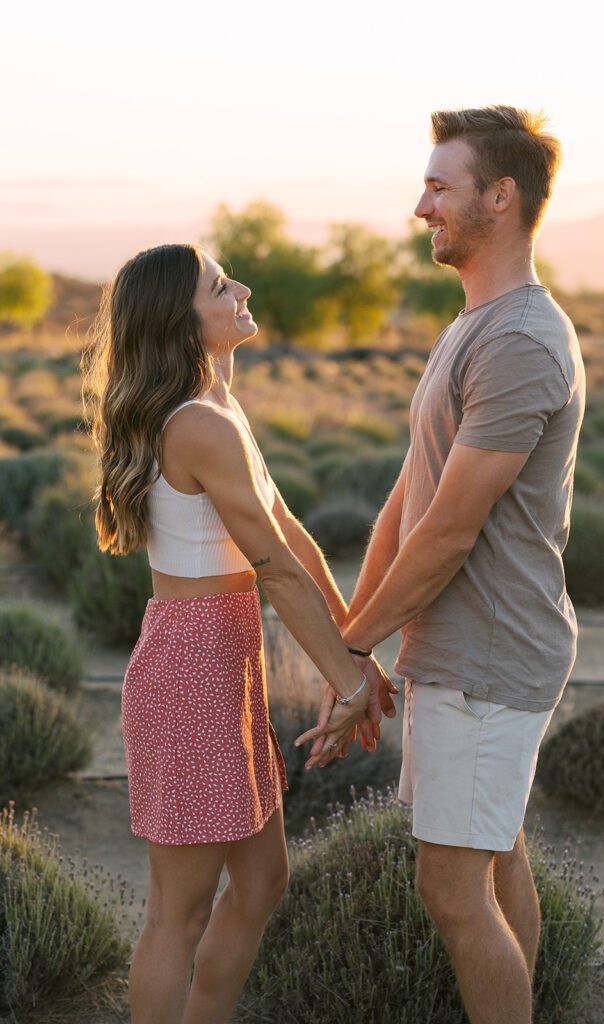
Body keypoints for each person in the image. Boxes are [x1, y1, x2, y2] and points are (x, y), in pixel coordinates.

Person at [304, 106, 585, 1024]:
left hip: (490, 658)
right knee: (493, 858)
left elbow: (450, 532)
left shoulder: (517, 340)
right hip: (457, 650)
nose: (419, 204)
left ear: (498, 199)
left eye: (439, 185)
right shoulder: (474, 322)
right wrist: (353, 649)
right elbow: (405, 498)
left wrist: (348, 650)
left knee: (451, 890)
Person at [82, 242, 397, 1024]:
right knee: (175, 914)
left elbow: (287, 532)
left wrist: (352, 647)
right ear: (180, 324)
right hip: (191, 670)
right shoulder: (194, 425)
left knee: (261, 883)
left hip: (228, 665)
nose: (243, 289)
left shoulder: (217, 406)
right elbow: (276, 572)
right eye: (221, 286)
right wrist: (350, 681)